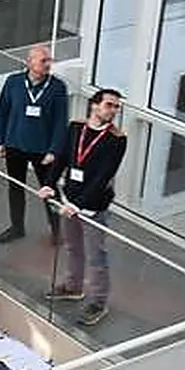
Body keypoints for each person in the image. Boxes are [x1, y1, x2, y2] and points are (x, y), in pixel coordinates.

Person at [39, 88, 127, 326]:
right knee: (73, 247)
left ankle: (99, 301)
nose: (114, 110)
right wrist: (49, 185)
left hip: (93, 207)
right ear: (94, 105)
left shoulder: (116, 140)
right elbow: (62, 159)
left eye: (117, 107)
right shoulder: (76, 127)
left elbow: (103, 177)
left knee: (97, 256)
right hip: (70, 199)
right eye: (110, 105)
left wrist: (78, 205)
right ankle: (73, 287)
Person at [0, 45, 69, 244]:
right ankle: (17, 227)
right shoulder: (14, 82)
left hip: (43, 151)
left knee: (49, 191)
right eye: (43, 60)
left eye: (49, 60)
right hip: (15, 146)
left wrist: (54, 150)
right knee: (15, 188)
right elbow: (1, 112)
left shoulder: (57, 87)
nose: (48, 64)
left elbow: (61, 122)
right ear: (30, 62)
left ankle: (56, 230)